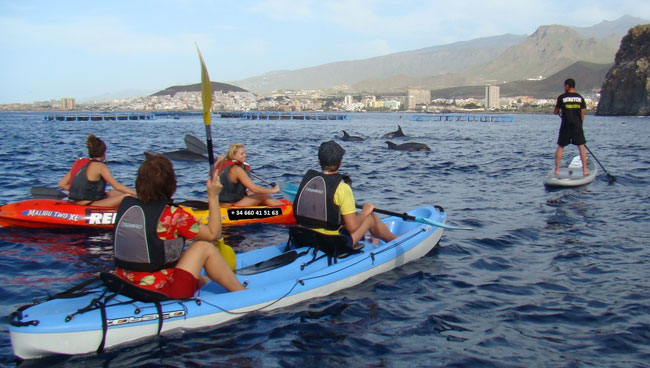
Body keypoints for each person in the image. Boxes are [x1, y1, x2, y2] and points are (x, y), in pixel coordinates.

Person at [112, 153, 244, 299]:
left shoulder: (127, 205)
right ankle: (240, 293)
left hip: (124, 282)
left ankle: (206, 284)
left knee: (179, 255)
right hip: (159, 289)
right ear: (170, 185)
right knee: (203, 246)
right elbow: (213, 234)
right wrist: (213, 196)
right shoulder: (173, 215)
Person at [293, 140, 397, 246]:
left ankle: (376, 236)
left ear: (319, 162)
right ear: (340, 163)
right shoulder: (342, 188)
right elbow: (352, 227)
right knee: (369, 217)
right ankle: (393, 239)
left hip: (304, 237)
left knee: (343, 219)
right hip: (331, 243)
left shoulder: (308, 182)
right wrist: (365, 211)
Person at [58, 134, 136, 206]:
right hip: (90, 203)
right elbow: (117, 186)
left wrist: (79, 192)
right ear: (104, 153)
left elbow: (62, 184)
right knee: (127, 196)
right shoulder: (100, 166)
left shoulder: (80, 163)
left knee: (117, 193)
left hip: (76, 201)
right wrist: (138, 194)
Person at [214, 143, 283, 206]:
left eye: (245, 153)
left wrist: (218, 161)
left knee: (251, 194)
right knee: (261, 196)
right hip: (230, 206)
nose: (245, 155)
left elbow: (211, 173)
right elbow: (254, 189)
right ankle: (285, 209)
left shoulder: (223, 164)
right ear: (233, 155)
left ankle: (278, 205)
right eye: (242, 154)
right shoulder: (237, 169)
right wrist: (274, 190)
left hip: (225, 202)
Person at [553, 78, 589, 177]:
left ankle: (557, 170)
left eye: (565, 86)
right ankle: (585, 170)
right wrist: (580, 124)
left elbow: (556, 111)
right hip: (577, 125)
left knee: (560, 146)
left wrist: (558, 111)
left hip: (565, 125)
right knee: (581, 147)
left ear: (567, 86)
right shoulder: (580, 98)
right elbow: (583, 112)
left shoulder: (561, 97)